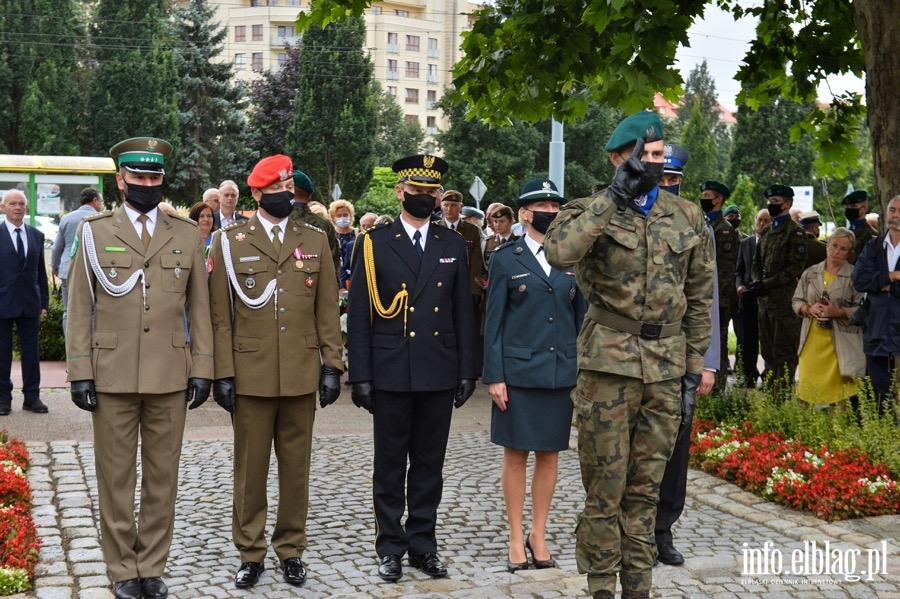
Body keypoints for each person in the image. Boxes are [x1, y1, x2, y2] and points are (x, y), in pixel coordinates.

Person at [543, 111, 714, 599]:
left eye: (661, 155)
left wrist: (693, 365)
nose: (657, 163)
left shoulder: (687, 217)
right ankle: (600, 585)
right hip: (608, 368)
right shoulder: (588, 208)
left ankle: (638, 587)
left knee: (646, 490)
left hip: (664, 366)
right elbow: (560, 253)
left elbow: (700, 296)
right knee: (605, 489)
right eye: (648, 155)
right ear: (621, 158)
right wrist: (612, 198)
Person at [65, 137, 213, 599]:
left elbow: (200, 309)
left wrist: (203, 367)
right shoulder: (95, 231)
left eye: (155, 177)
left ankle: (151, 565)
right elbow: (80, 305)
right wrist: (79, 371)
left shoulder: (185, 233)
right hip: (112, 373)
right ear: (121, 180)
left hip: (169, 373)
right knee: (115, 476)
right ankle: (121, 569)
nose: (147, 184)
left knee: (163, 476)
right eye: (139, 177)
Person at [208, 154, 344, 590]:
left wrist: (332, 365)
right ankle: (250, 551)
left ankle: (291, 549)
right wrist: (222, 373)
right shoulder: (229, 241)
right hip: (250, 373)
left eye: (289, 190)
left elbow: (327, 308)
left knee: (296, 468)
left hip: (302, 371)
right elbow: (220, 314)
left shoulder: (314, 238)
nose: (286, 196)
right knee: (250, 470)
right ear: (256, 195)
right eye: (276, 191)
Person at [347, 154, 477, 583]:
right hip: (391, 369)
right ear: (401, 192)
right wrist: (360, 374)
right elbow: (363, 313)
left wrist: (466, 370)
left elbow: (463, 311)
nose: (425, 198)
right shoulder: (373, 243)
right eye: (417, 191)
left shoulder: (452, 243)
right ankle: (390, 546)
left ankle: (423, 544)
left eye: (432, 193)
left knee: (428, 464)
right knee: (389, 464)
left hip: (437, 368)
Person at [484, 179, 586, 573]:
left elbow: (582, 319)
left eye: (554, 205)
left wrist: (581, 371)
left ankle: (538, 533)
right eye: (541, 205)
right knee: (515, 456)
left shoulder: (572, 258)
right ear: (524, 213)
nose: (549, 211)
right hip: (517, 373)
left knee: (549, 455)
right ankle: (514, 536)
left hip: (561, 372)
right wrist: (494, 375)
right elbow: (493, 323)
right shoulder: (506, 258)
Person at [655, 226, 721, 567]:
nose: (667, 184)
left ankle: (662, 530)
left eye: (673, 179)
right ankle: (630, 533)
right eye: (661, 176)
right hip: (630, 357)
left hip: (683, 357)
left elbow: (707, 297)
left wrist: (708, 363)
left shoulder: (694, 224)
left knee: (677, 447)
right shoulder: (620, 211)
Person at [792, 228, 864, 407]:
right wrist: (808, 309)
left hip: (841, 343)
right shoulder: (810, 273)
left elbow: (863, 310)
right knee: (806, 392)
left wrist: (838, 312)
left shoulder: (855, 276)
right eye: (834, 246)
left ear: (849, 253)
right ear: (827, 246)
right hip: (812, 341)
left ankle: (837, 432)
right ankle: (802, 432)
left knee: (839, 397)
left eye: (843, 249)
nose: (837, 251)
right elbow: (796, 300)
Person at [750, 184, 807, 395]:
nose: (771, 205)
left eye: (776, 202)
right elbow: (756, 263)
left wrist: (766, 283)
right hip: (764, 304)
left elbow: (793, 270)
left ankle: (781, 399)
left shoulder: (796, 234)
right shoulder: (766, 232)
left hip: (784, 306)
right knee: (767, 353)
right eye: (770, 201)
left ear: (788, 204)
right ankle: (772, 398)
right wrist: (757, 281)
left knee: (784, 355)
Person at [0, 189, 49, 416]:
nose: (17, 207)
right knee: (2, 353)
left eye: (21, 203)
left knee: (31, 353)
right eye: (12, 203)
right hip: (3, 302)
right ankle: (3, 398)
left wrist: (44, 303)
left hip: (30, 304)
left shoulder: (36, 236)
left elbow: (41, 273)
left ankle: (32, 396)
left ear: (26, 208)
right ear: (3, 208)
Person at [851, 194, 900, 420]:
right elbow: (859, 279)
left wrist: (885, 286)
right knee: (880, 394)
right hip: (877, 330)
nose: (896, 215)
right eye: (892, 210)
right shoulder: (874, 245)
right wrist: (890, 276)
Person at [699, 180, 740, 392]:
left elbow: (724, 272)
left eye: (708, 195)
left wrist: (716, 301)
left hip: (719, 300)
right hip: (704, 298)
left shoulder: (724, 230)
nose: (703, 199)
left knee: (718, 348)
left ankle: (717, 392)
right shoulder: (702, 224)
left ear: (719, 199)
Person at [52, 187, 103, 336]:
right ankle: (90, 347)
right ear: (94, 201)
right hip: (92, 270)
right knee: (92, 310)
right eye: (101, 201)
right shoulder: (100, 218)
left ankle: (70, 347)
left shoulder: (66, 218)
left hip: (67, 269)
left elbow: (56, 248)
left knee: (68, 310)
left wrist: (55, 266)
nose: (101, 204)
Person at [735, 209, 772, 387]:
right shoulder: (746, 243)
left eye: (766, 221)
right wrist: (739, 285)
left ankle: (768, 375)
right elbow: (739, 270)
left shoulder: (773, 243)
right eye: (759, 220)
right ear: (754, 221)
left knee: (767, 339)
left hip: (767, 297)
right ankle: (748, 375)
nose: (762, 224)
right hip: (748, 298)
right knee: (746, 339)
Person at [290, 170, 341, 285]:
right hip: (316, 286)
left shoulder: (277, 220)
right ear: (310, 195)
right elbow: (333, 260)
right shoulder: (324, 224)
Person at [329, 199, 358, 289]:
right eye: (339, 216)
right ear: (333, 217)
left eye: (345, 215)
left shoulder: (358, 233)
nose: (342, 218)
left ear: (350, 216)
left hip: (354, 277)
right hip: (334, 276)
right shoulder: (330, 234)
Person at [843, 190, 877, 264]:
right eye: (847, 206)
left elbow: (871, 263)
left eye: (853, 206)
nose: (849, 209)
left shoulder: (870, 235)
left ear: (864, 208)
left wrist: (854, 259)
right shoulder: (848, 231)